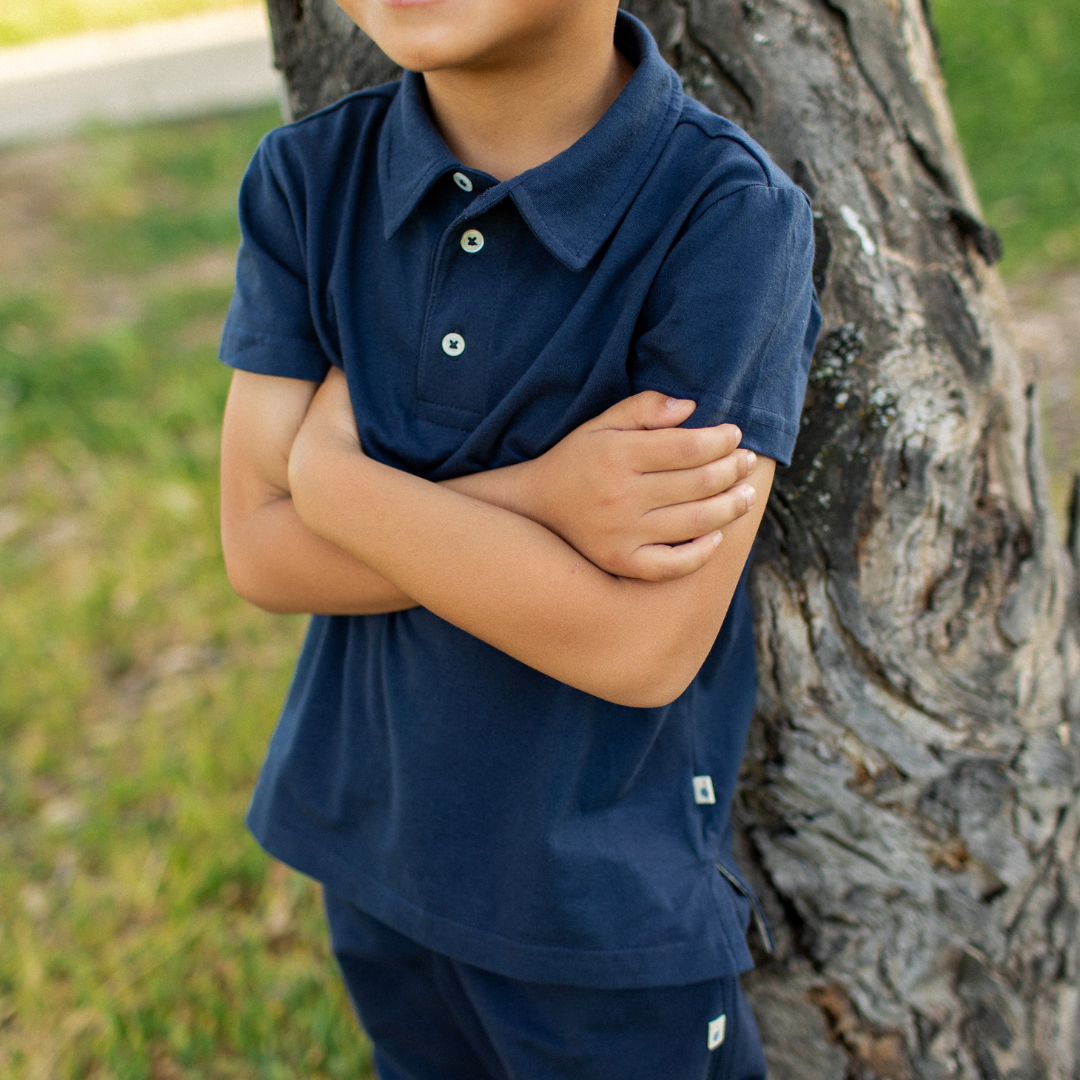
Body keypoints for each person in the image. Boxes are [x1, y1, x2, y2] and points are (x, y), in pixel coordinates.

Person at [218, 0, 820, 1075]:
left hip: (600, 917)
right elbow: (260, 551)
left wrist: (330, 479)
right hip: (374, 851)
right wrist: (544, 494)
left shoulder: (724, 216)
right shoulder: (308, 180)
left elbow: (641, 646)